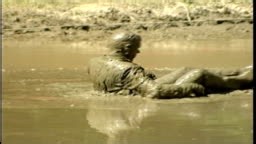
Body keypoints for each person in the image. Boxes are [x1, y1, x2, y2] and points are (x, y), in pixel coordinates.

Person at [87, 32, 253, 99]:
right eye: (137, 48)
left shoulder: (94, 61)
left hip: (134, 88)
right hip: (139, 93)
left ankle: (243, 70)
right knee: (199, 74)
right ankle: (244, 79)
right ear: (127, 48)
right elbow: (154, 92)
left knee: (186, 70)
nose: (138, 52)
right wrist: (190, 87)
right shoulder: (129, 69)